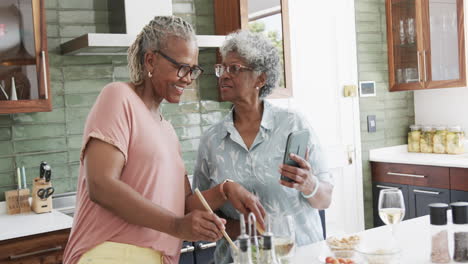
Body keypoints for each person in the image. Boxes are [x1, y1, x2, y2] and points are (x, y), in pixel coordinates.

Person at [63, 16, 229, 264]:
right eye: (181, 67)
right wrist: (177, 226)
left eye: (193, 70)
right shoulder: (119, 97)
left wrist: (226, 190)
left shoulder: (168, 131)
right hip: (110, 254)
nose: (187, 78)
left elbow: (181, 206)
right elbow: (100, 185)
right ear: (151, 60)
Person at [192, 30, 334, 264]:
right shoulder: (212, 140)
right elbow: (201, 208)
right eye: (222, 68)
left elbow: (325, 200)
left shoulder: (292, 124)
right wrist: (249, 229)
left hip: (298, 257)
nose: (224, 76)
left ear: (261, 79)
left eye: (234, 68)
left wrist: (309, 184)